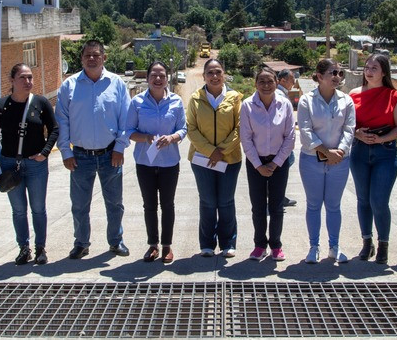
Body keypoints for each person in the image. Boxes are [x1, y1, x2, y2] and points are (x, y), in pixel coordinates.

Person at [56, 40, 131, 260]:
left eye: (96, 55)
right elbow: (62, 121)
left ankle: (116, 242)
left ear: (104, 58)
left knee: (115, 203)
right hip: (79, 157)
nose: (92, 59)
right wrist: (66, 152)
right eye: (87, 55)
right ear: (81, 58)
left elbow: (126, 120)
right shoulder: (68, 86)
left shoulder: (116, 84)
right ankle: (81, 243)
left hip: (110, 155)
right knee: (79, 205)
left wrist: (120, 147)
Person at [0, 63, 58, 265]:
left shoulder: (40, 103)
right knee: (18, 209)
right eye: (23, 78)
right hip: (10, 164)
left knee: (38, 208)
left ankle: (40, 248)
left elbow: (54, 129)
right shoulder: (1, 106)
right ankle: (23, 248)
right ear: (12, 80)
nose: (28, 82)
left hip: (36, 165)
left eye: (30, 78)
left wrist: (45, 152)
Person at [349, 53, 397, 265]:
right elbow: (347, 124)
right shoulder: (353, 94)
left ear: (384, 72)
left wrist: (381, 138)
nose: (369, 70)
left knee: (379, 201)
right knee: (363, 200)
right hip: (360, 152)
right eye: (367, 67)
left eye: (374, 67)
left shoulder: (394, 96)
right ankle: (367, 242)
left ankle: (383, 244)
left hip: (385, 152)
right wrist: (358, 134)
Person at [126, 61, 187, 263]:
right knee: (149, 206)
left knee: (168, 205)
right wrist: (145, 138)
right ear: (147, 78)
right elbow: (128, 131)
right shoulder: (137, 102)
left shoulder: (176, 102)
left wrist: (172, 138)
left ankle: (167, 246)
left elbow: (183, 129)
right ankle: (153, 245)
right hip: (145, 163)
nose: (158, 79)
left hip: (170, 163)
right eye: (154, 75)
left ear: (167, 78)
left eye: (162, 75)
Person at [297, 59, 355, 264]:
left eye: (339, 73)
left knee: (333, 205)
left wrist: (338, 152)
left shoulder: (346, 101)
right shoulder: (306, 100)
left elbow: (349, 129)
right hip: (312, 160)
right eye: (333, 73)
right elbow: (305, 131)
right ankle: (314, 247)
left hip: (339, 161)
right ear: (320, 77)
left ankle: (334, 247)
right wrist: (325, 152)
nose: (337, 77)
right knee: (313, 205)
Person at [187, 58, 243, 258]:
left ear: (224, 73)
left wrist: (222, 151)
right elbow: (191, 129)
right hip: (202, 160)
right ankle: (207, 244)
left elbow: (239, 128)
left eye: (218, 71)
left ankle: (228, 242)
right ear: (204, 76)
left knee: (226, 201)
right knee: (208, 201)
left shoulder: (235, 98)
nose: (214, 76)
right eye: (210, 72)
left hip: (230, 160)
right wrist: (211, 151)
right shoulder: (195, 98)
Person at [240, 67, 295, 261]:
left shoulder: (285, 104)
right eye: (261, 81)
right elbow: (245, 139)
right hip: (255, 162)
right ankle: (259, 244)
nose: (265, 85)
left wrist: (276, 163)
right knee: (258, 206)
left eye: (270, 81)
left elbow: (290, 137)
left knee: (276, 206)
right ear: (255, 84)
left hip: (279, 162)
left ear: (276, 83)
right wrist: (258, 165)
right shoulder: (247, 105)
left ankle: (276, 245)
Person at [275, 69, 297, 207]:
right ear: (282, 80)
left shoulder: (282, 93)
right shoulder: (279, 95)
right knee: (282, 168)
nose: (294, 82)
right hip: (281, 141)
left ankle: (277, 195)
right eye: (291, 79)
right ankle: (277, 196)